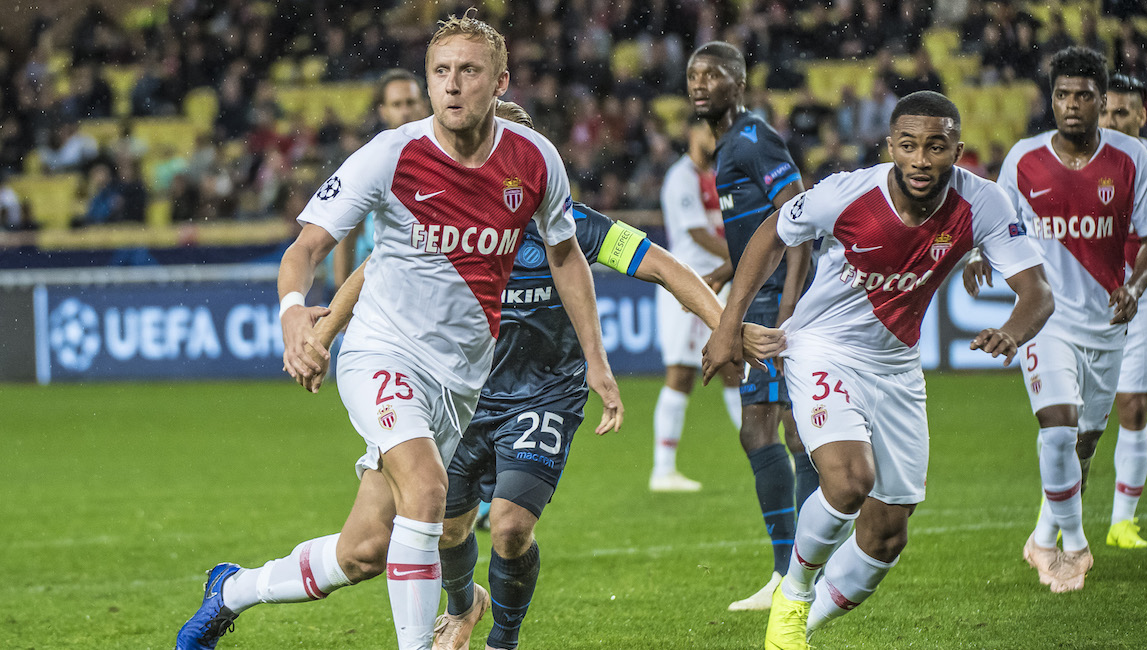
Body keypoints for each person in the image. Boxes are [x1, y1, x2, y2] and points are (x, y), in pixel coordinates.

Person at [175, 14, 623, 650]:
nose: (453, 84)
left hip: (460, 381)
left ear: (500, 82)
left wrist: (597, 361)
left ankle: (232, 590)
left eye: (469, 71)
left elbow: (566, 256)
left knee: (364, 551)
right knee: (429, 489)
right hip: (382, 353)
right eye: (441, 71)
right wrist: (296, 316)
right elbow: (306, 248)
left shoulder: (535, 160)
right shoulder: (391, 155)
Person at [305, 100, 761, 650]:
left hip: (544, 393)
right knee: (447, 528)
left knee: (510, 526)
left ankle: (504, 640)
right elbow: (372, 271)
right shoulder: (453, 219)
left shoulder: (573, 224)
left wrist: (726, 325)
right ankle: (463, 605)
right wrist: (324, 333)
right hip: (462, 392)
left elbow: (663, 265)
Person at [704, 91, 1054, 650]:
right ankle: (793, 592)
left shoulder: (984, 202)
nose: (921, 159)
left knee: (888, 534)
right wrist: (729, 325)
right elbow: (772, 233)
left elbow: (1037, 293)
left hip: (896, 367)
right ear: (890, 146)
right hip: (823, 347)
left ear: (957, 150)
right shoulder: (847, 194)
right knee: (849, 482)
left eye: (936, 147)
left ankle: (795, 631)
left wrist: (1012, 330)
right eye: (908, 146)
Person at [967, 48, 1147, 593]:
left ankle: (1041, 538)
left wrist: (1134, 286)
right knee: (1057, 427)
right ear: (1051, 100)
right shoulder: (1024, 159)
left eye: (1083, 95)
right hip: (1046, 317)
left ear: (1102, 100)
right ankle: (1074, 549)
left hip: (1107, 321)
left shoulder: (1131, 158)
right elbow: (995, 220)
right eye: (1062, 95)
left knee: (1084, 445)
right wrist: (979, 251)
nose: (1072, 105)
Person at [686, 40, 817, 611]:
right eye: (694, 75)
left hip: (776, 304)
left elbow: (799, 221)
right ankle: (796, 571)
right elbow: (762, 229)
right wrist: (727, 269)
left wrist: (787, 312)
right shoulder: (728, 146)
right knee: (775, 430)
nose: (700, 84)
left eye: (713, 75)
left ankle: (795, 572)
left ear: (738, 84)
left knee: (779, 430)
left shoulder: (754, 139)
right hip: (760, 297)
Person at [650, 117, 742, 493]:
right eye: (707, 130)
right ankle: (662, 469)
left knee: (733, 368)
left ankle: (762, 453)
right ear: (692, 132)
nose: (714, 137)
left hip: (717, 282)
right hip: (687, 284)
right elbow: (698, 233)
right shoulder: (681, 177)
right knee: (681, 374)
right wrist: (742, 253)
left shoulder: (716, 175)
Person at [1097, 73, 1147, 549]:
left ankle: (1122, 521)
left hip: (1146, 295)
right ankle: (1053, 517)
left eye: (1122, 112)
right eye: (1106, 111)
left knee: (1134, 406)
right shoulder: (1077, 162)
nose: (1112, 121)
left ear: (1142, 114)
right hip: (1088, 298)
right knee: (1071, 416)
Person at [332, 68, 432, 287]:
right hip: (380, 284)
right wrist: (341, 294)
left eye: (410, 103)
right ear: (383, 111)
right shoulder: (369, 163)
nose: (405, 111)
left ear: (425, 106)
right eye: (397, 104)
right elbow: (348, 235)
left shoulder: (446, 158)